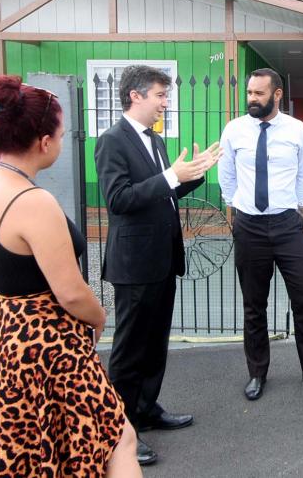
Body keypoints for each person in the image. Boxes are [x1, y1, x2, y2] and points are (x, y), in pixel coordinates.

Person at [0, 75, 140, 477]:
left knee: (27, 451)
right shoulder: (33, 201)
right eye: (60, 136)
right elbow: (71, 293)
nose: (61, 143)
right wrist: (99, 318)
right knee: (116, 438)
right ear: (44, 142)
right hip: (48, 347)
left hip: (2, 342)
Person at [95, 64, 221, 466]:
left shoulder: (155, 140)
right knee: (130, 351)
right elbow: (118, 200)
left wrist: (194, 174)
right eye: (160, 96)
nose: (165, 103)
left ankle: (147, 410)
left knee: (155, 345)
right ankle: (120, 432)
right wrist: (170, 177)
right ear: (135, 95)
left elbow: (165, 189)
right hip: (134, 264)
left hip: (163, 259)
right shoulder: (112, 141)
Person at [218, 68, 303, 401]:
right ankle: (257, 373)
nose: (252, 99)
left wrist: (294, 205)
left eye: (259, 94)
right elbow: (227, 176)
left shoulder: (297, 131)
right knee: (254, 305)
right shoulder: (234, 130)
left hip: (288, 226)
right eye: (249, 93)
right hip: (249, 227)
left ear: (276, 95)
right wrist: (240, 206)